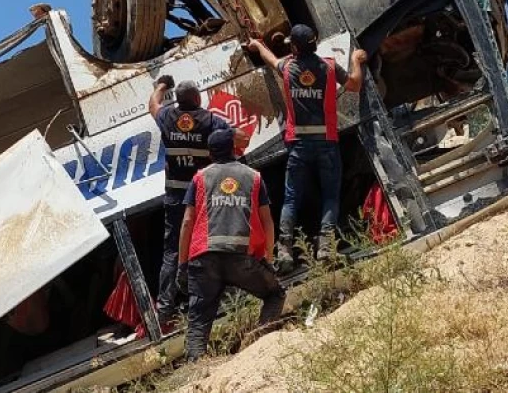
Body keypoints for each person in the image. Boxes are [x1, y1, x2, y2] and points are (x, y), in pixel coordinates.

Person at [247, 24, 367, 274]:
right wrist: (357, 60)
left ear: (294, 47)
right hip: (326, 143)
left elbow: (271, 60)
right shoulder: (330, 66)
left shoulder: (289, 68)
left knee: (291, 198)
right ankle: (325, 248)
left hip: (299, 146)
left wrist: (258, 45)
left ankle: (285, 251)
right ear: (315, 43)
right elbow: (355, 85)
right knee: (330, 196)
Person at [177, 129, 285, 361]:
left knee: (198, 323)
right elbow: (267, 222)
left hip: (203, 258)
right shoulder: (254, 177)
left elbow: (187, 222)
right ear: (233, 148)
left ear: (209, 153)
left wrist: (182, 266)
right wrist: (268, 258)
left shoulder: (199, 178)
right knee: (275, 295)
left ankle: (197, 374)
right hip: (241, 258)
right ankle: (260, 347)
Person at [149, 77, 248, 331]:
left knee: (172, 251)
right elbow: (239, 137)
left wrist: (160, 87)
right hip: (201, 195)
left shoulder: (167, 118)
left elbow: (153, 105)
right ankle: (223, 296)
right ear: (198, 98)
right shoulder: (210, 120)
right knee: (210, 243)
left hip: (174, 195)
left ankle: (165, 309)